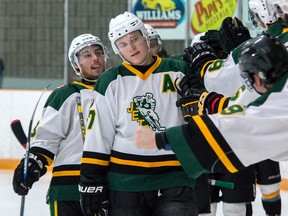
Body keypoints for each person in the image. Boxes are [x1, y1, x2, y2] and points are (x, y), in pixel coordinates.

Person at [78, 11, 203, 216]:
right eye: (123, 44)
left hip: (175, 178)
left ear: (145, 36)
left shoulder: (179, 71)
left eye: (134, 39)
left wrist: (200, 99)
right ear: (117, 50)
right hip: (125, 183)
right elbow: (98, 136)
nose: (132, 47)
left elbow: (202, 120)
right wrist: (91, 182)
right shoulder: (110, 81)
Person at [135, 32, 288, 191]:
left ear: (259, 75)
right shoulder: (280, 89)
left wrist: (162, 139)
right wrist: (211, 102)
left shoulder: (279, 104)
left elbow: (236, 127)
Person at [12, 33, 109, 216]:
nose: (95, 58)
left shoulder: (117, 90)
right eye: (87, 55)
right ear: (76, 65)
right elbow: (46, 138)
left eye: (98, 52)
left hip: (106, 186)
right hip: (67, 190)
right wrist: (33, 163)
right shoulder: (65, 95)